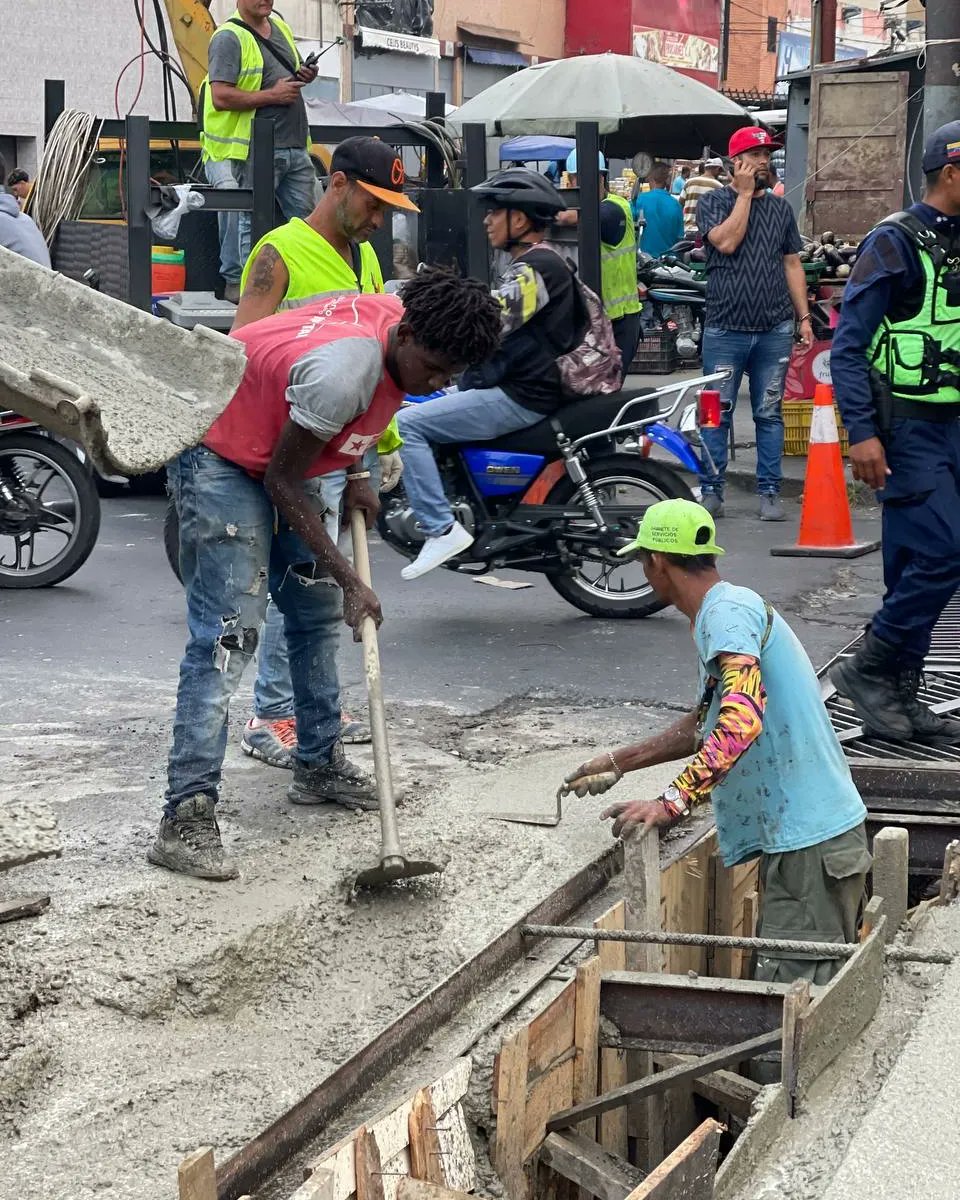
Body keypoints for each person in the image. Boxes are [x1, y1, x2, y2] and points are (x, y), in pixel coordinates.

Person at [150, 270, 502, 880]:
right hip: (222, 451)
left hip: (290, 443)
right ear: (409, 334)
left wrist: (358, 472)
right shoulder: (343, 373)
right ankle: (186, 815)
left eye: (453, 376)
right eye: (437, 369)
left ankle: (318, 765)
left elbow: (352, 420)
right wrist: (351, 579)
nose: (440, 385)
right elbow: (281, 481)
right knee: (228, 637)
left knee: (311, 615)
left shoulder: (398, 319)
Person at [560, 498, 871, 985]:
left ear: (656, 562)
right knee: (784, 994)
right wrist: (620, 761)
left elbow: (741, 719)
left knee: (787, 1009)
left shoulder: (726, 613)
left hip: (812, 845)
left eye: (644, 562)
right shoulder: (725, 611)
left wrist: (672, 802)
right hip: (808, 842)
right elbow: (707, 723)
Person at [231, 136, 417, 770]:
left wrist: (373, 453)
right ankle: (272, 714)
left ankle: (311, 718)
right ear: (337, 185)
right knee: (297, 586)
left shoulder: (364, 258)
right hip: (286, 454)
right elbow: (240, 357)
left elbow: (375, 361)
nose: (378, 218)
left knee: (316, 595)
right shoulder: (279, 253)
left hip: (337, 455)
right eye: (372, 202)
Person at [828, 120, 960, 745]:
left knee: (913, 563)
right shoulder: (894, 242)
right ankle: (869, 667)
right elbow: (848, 348)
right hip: (906, 429)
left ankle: (898, 695)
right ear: (952, 173)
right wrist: (861, 432)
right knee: (941, 552)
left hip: (953, 425)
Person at [396, 169, 580, 581]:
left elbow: (489, 322)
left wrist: (425, 313)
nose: (487, 220)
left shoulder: (535, 270)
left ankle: (440, 528)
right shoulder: (539, 264)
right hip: (515, 385)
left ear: (522, 219)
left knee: (405, 425)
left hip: (520, 393)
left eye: (496, 211)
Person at [695, 128, 812, 522]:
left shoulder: (780, 210)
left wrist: (804, 317)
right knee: (716, 412)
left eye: (768, 154)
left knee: (769, 412)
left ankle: (769, 492)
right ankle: (712, 490)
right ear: (735, 163)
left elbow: (792, 263)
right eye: (755, 154)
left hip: (774, 329)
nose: (765, 161)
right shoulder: (713, 202)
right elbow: (726, 242)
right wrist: (744, 195)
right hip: (725, 328)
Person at [199, 0, 319, 302]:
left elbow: (284, 79)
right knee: (246, 223)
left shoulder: (280, 28)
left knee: (310, 224)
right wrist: (272, 95)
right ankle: (243, 291)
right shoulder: (228, 37)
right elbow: (221, 96)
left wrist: (303, 75)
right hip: (253, 151)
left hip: (293, 144)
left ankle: (307, 285)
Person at [561, 149, 643, 378]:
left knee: (607, 388)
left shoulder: (615, 208)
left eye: (583, 179)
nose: (580, 185)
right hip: (594, 320)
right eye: (577, 180)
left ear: (601, 178)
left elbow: (573, 218)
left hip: (620, 323)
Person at [0, 157, 49, 266]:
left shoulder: (40, 198)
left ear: (23, 183)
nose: (15, 194)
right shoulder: (26, 219)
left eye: (15, 189)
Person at [632, 162, 684, 261]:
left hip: (645, 261)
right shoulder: (676, 205)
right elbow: (680, 237)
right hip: (670, 263)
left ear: (649, 178)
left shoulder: (640, 200)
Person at [682, 158, 723, 234]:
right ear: (718, 169)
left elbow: (681, 204)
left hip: (688, 229)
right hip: (707, 232)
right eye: (720, 171)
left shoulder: (689, 182)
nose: (720, 173)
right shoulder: (719, 187)